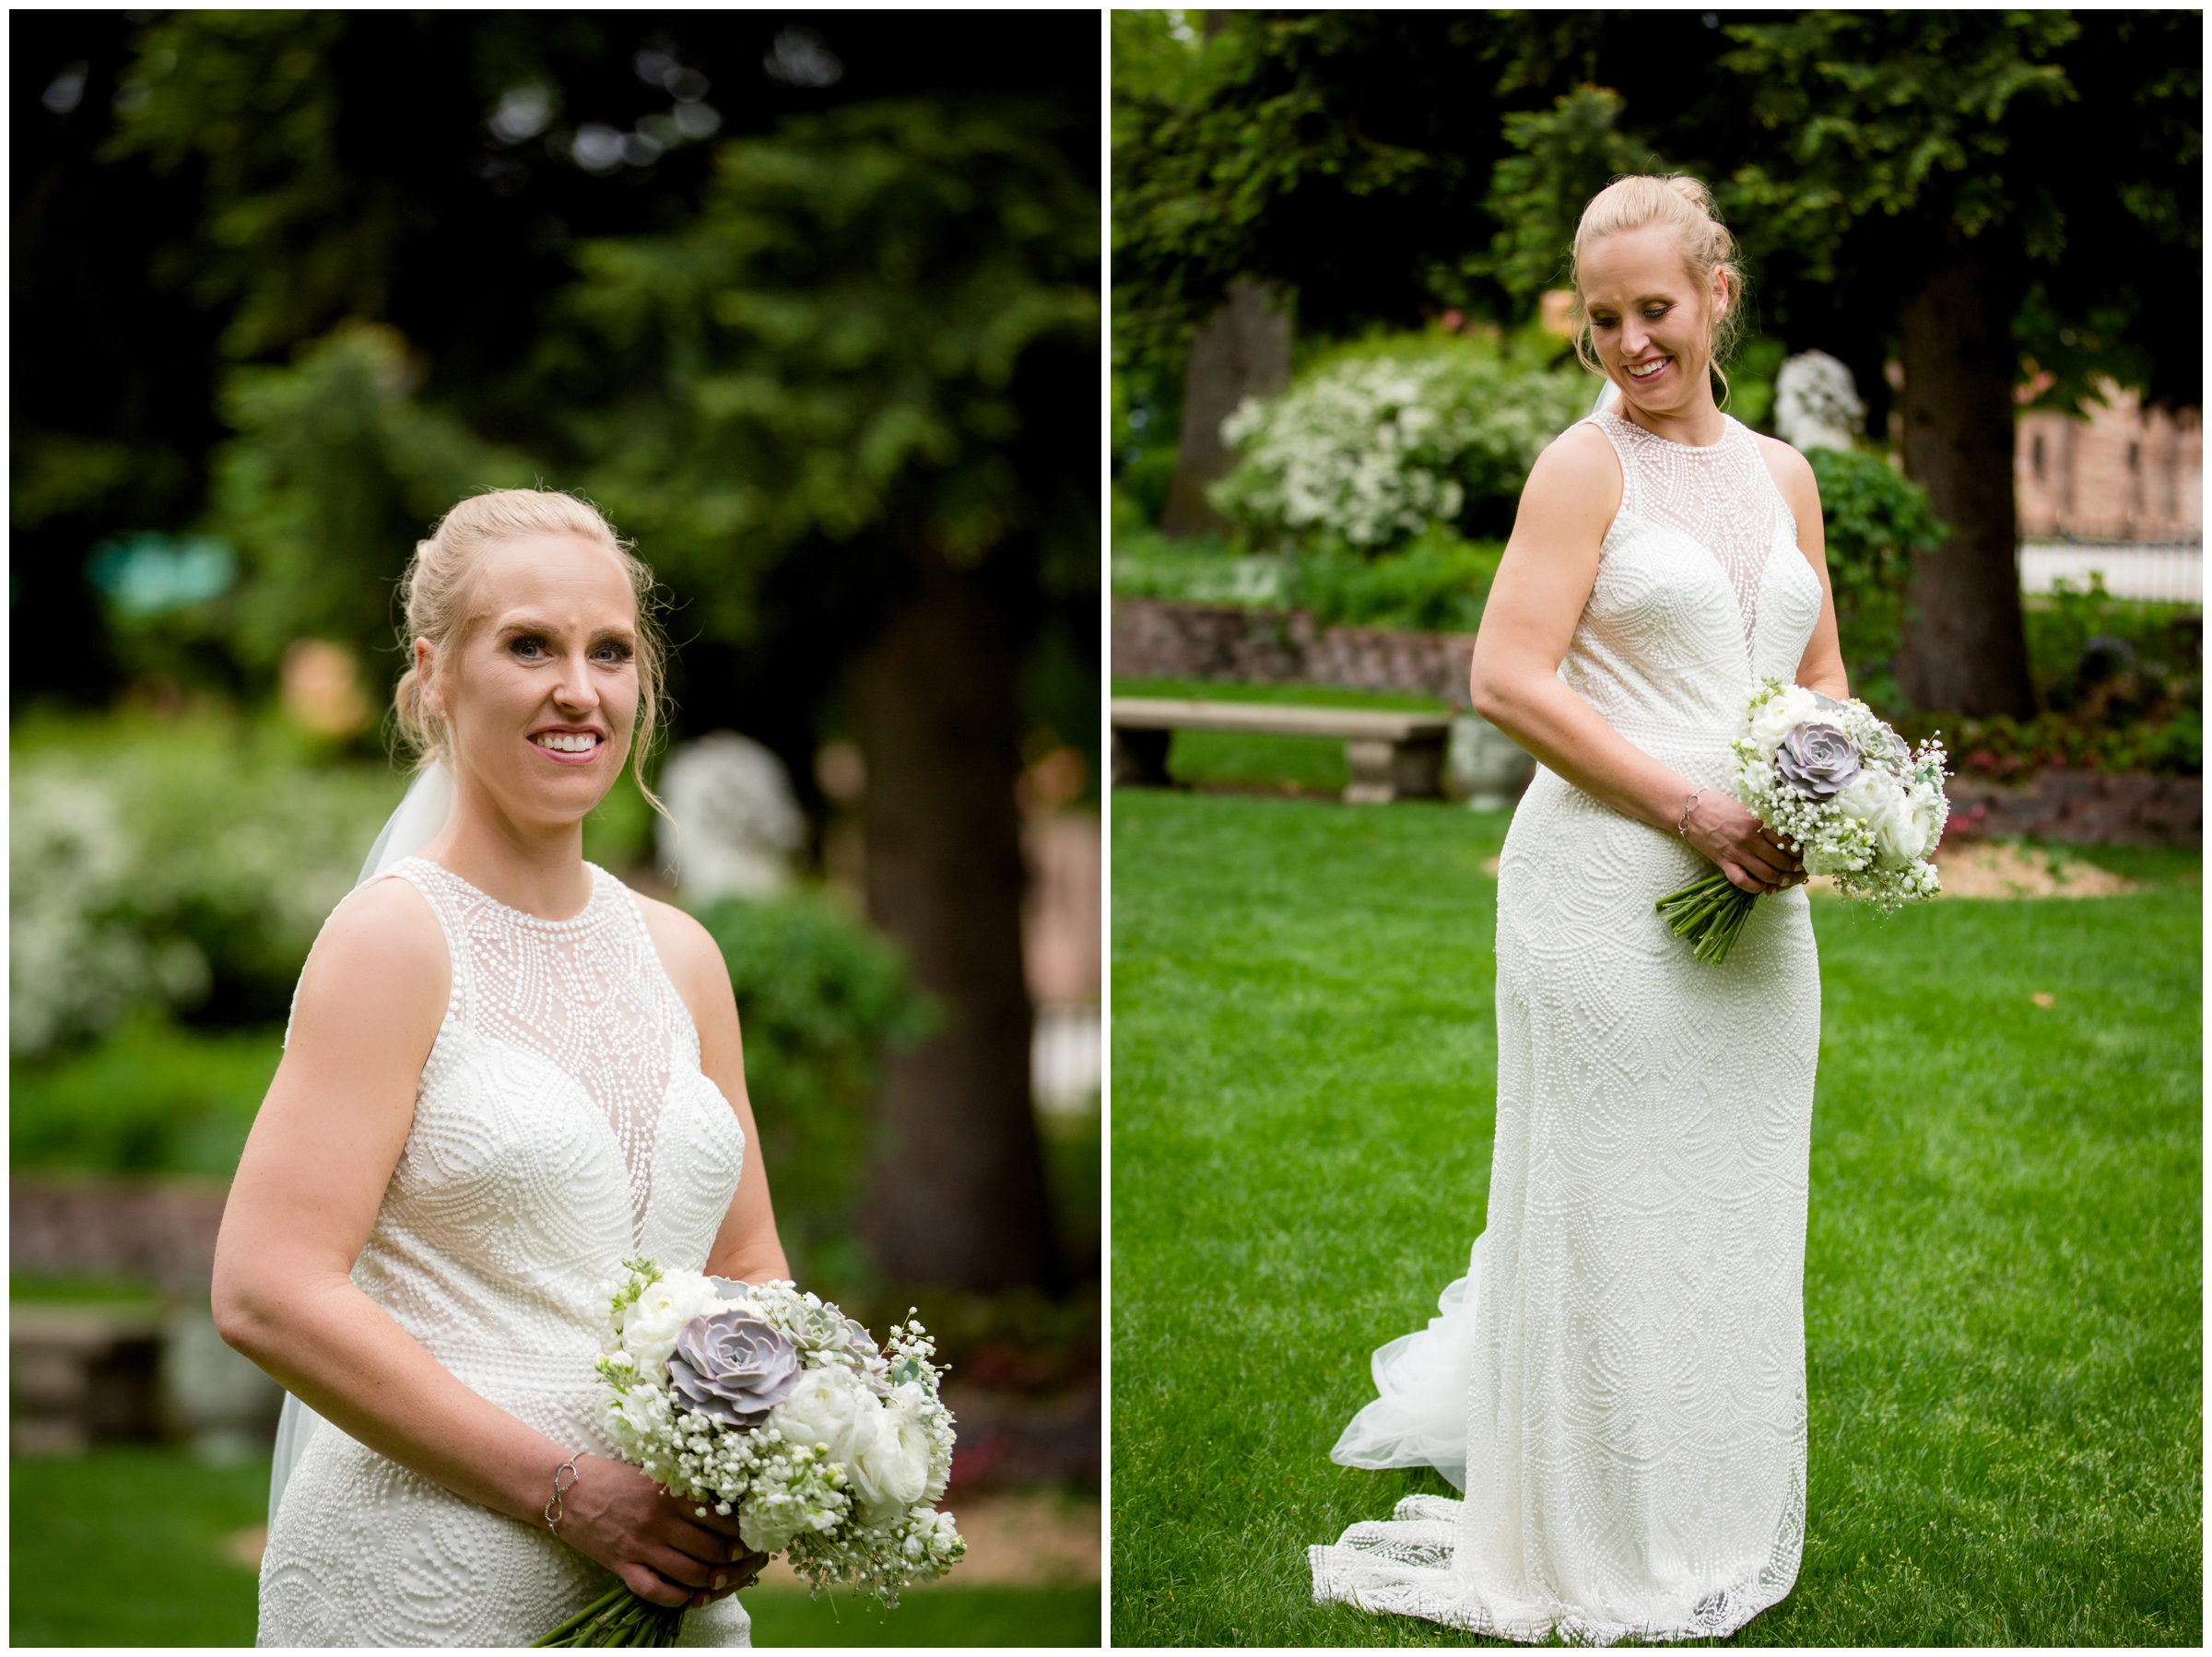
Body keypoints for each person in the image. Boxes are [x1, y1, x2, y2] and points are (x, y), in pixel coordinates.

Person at [1309, 175, 1849, 1642]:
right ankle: (1599, 1535)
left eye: (1654, 309)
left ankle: (1716, 1513)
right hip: (1609, 885)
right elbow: (1506, 679)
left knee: (1731, 1205)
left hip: (1760, 899)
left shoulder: (1784, 477)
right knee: (1615, 1209)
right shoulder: (1581, 468)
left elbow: (1822, 685)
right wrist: (1691, 810)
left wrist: (1834, 802)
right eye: (1603, 318)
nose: (1629, 342)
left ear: (1717, 294)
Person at [213, 489, 785, 1646]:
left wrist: (794, 1447)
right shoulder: (394, 942)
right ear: (434, 674)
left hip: (670, 1592)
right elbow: (268, 1287)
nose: (578, 687)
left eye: (610, 651)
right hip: (426, 1584)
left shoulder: (684, 958)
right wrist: (568, 1490)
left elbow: (746, 1262)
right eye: (529, 645)